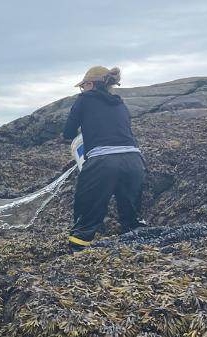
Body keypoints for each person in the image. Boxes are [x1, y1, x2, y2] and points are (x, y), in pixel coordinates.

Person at [62, 66, 146, 251]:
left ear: (90, 84)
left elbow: (68, 132)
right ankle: (132, 258)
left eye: (82, 87)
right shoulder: (120, 103)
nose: (81, 91)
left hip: (102, 163)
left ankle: (76, 260)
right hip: (134, 161)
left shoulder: (84, 100)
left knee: (85, 223)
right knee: (131, 221)